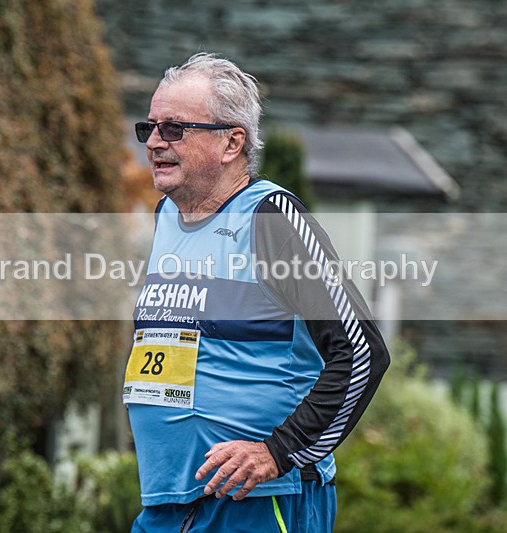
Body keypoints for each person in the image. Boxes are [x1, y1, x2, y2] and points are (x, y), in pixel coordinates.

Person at [123, 53, 390, 533]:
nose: (155, 142)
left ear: (231, 143)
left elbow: (362, 352)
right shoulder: (165, 216)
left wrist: (278, 451)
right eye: (150, 128)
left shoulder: (270, 217)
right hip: (169, 503)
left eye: (174, 128)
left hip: (259, 501)